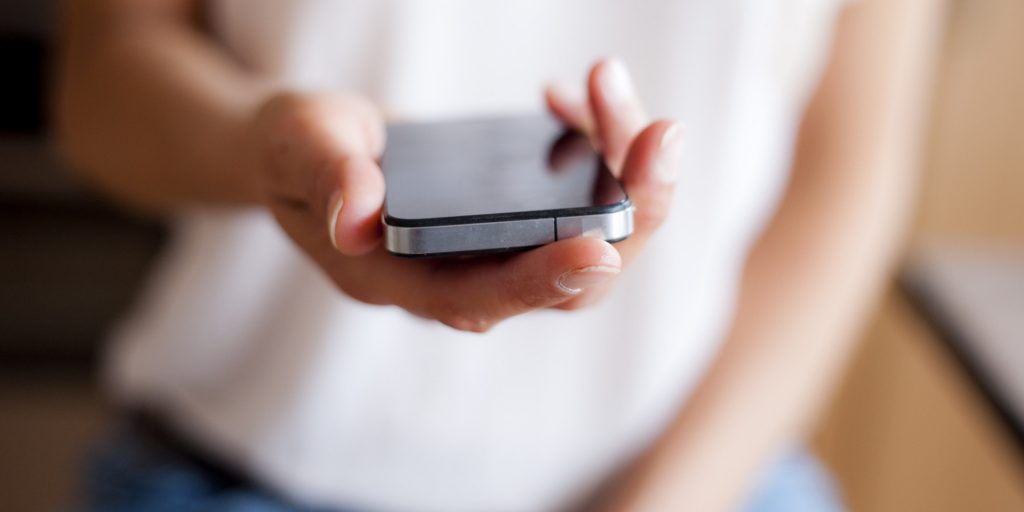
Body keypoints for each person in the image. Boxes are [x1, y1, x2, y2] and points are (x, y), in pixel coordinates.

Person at [57, 0, 942, 510]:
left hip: (708, 473)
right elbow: (106, 73)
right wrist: (266, 148)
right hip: (253, 465)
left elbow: (845, 169)